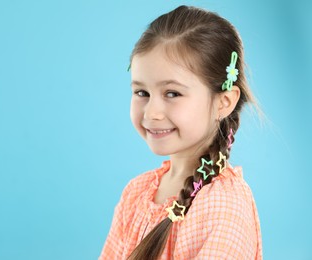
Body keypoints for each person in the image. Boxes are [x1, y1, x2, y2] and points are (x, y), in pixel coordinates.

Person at [99, 5, 263, 260]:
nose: (152, 112)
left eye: (172, 93)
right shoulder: (136, 193)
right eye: (142, 92)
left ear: (224, 102)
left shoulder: (223, 206)